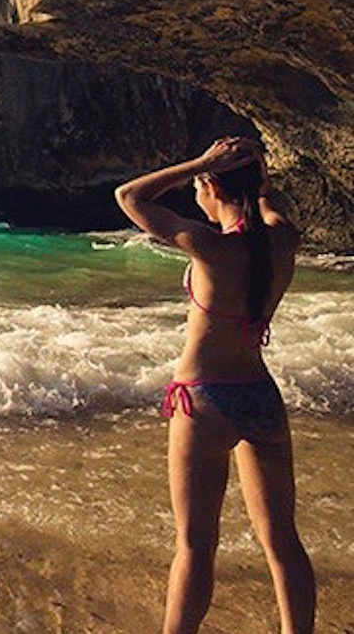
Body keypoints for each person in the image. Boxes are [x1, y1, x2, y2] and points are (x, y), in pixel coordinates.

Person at [115, 137, 314, 634]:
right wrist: (257, 184)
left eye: (202, 182)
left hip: (204, 401)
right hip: (259, 395)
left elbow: (130, 197)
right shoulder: (281, 240)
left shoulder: (208, 247)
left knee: (195, 546)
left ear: (209, 186)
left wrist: (200, 162)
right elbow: (267, 210)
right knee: (282, 541)